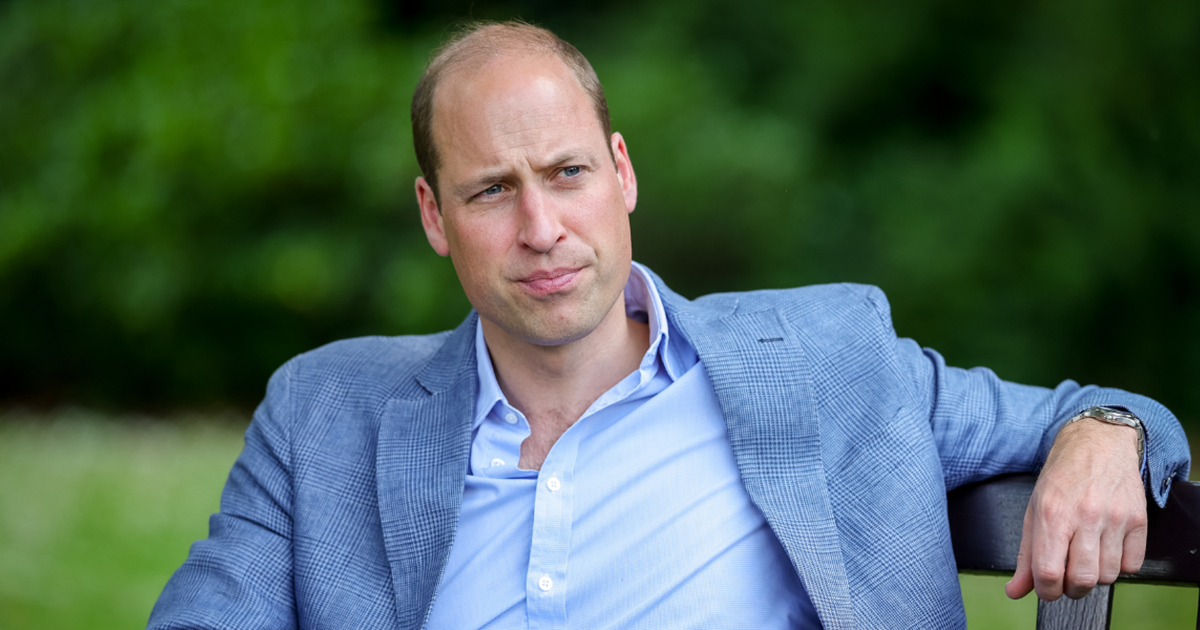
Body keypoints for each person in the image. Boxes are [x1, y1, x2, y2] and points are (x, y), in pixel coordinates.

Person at [148, 21, 1190, 629]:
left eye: (566, 174)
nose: (542, 228)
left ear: (623, 173)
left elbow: (1094, 412)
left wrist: (1113, 431)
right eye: (490, 192)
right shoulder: (326, 411)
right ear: (432, 216)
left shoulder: (831, 361)